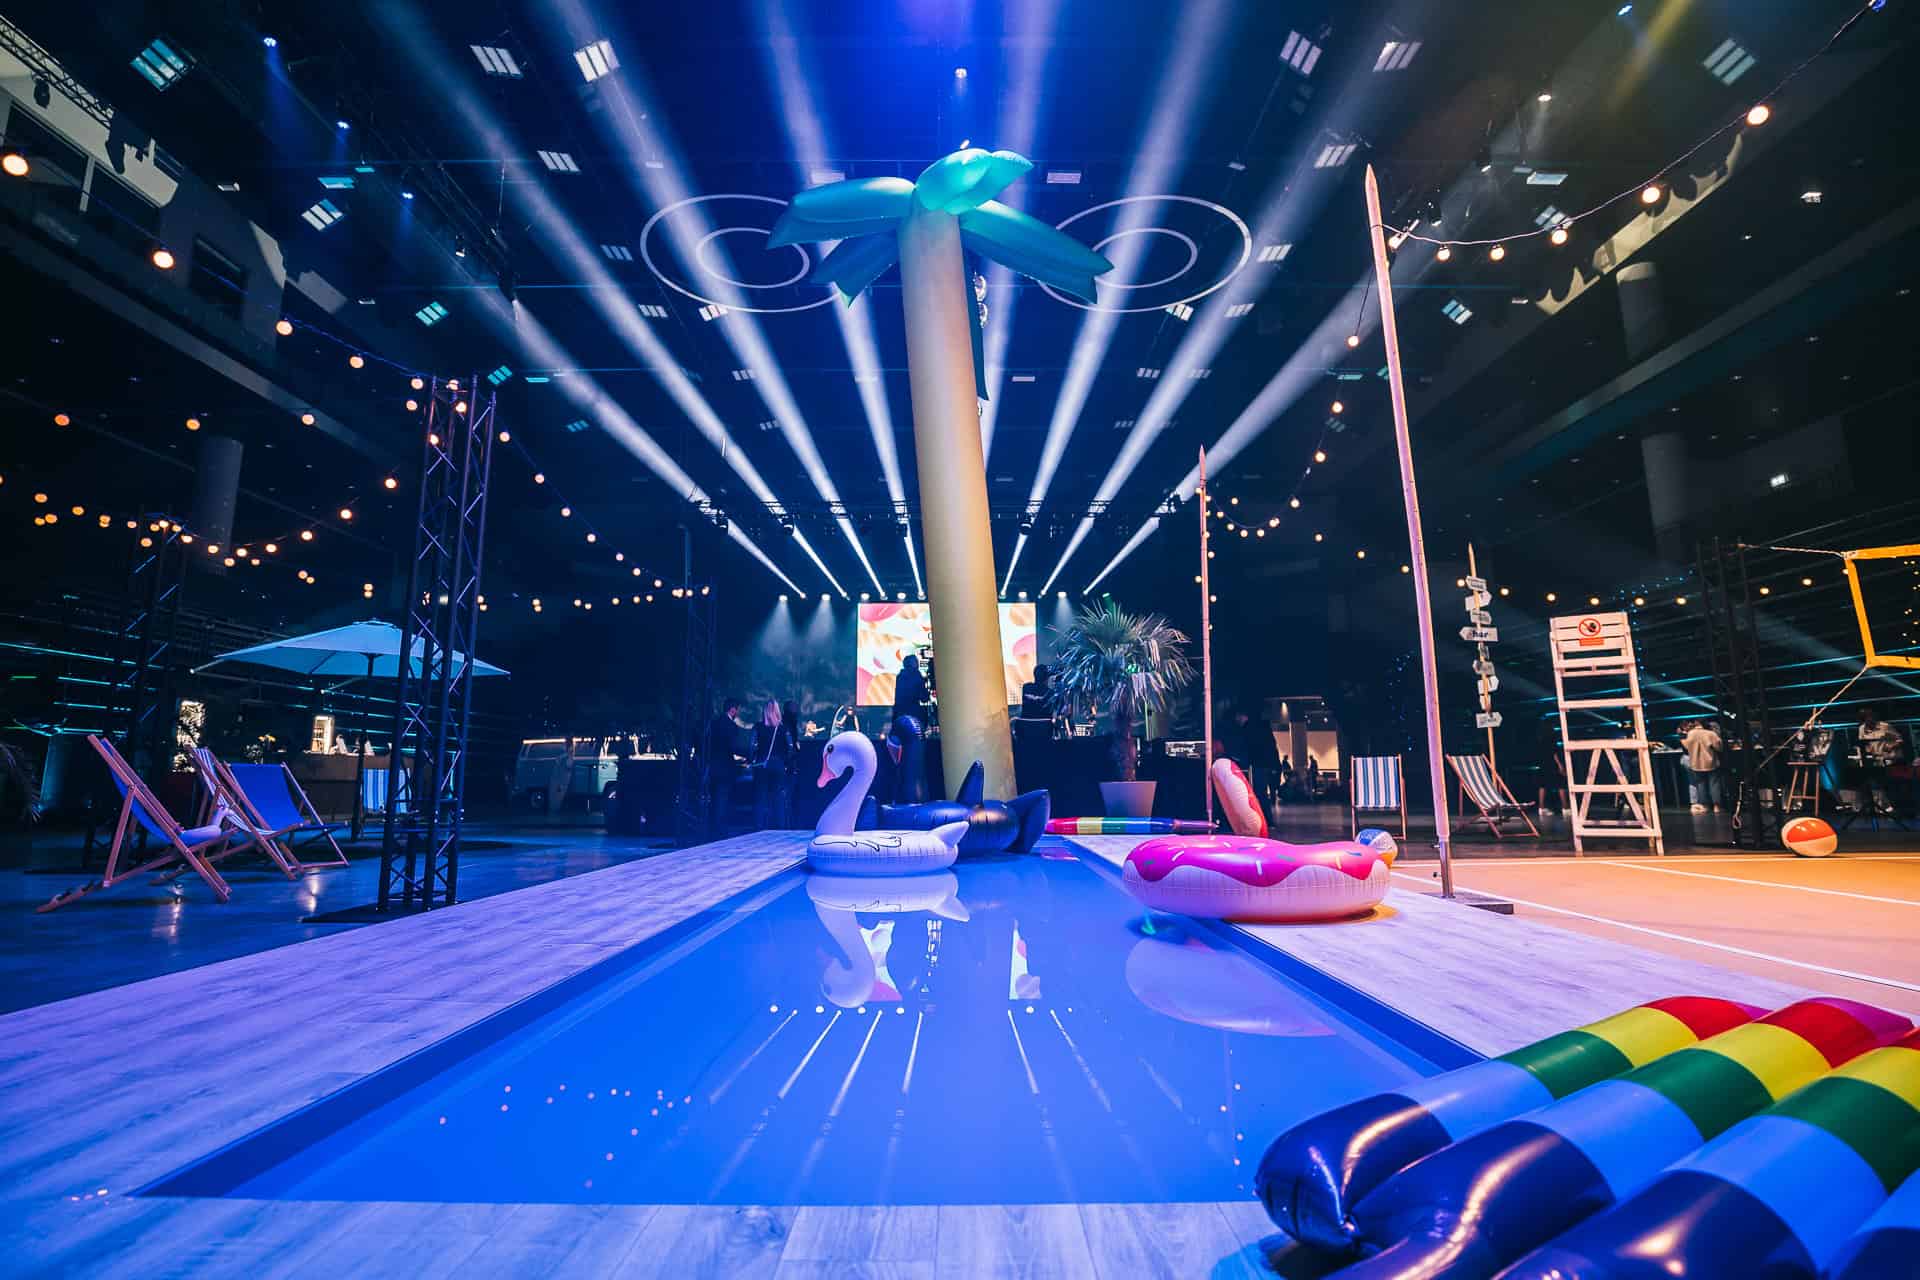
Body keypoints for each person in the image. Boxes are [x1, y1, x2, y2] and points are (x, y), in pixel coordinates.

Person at [702, 697, 748, 836]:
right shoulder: (731, 726)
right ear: (732, 709)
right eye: (737, 710)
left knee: (713, 798)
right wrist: (748, 754)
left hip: (712, 766)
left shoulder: (713, 723)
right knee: (722, 798)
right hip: (725, 768)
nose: (738, 713)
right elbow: (733, 747)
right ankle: (720, 829)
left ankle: (711, 828)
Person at [748, 700, 792, 830]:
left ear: (765, 711)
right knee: (778, 798)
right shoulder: (783, 729)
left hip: (762, 765)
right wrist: (784, 762)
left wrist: (751, 760)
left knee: (760, 797)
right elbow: (790, 749)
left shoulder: (758, 727)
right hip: (778, 766)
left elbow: (751, 746)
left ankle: (759, 827)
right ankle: (779, 827)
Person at [1856, 705, 1906, 815]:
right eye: (1866, 718)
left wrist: (1891, 746)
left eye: (1871, 717)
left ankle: (1898, 808)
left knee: (1892, 784)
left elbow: (1900, 739)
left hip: (1892, 759)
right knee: (1878, 783)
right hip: (1877, 760)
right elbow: (1863, 744)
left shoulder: (1885, 726)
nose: (1870, 720)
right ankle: (1884, 807)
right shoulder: (1861, 729)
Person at [1681, 718, 1725, 814]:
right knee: (1714, 784)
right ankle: (1716, 806)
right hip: (1710, 762)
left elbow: (1686, 746)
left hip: (1696, 763)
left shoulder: (1690, 734)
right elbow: (1719, 747)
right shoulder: (1710, 734)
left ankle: (1705, 806)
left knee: (1700, 785)